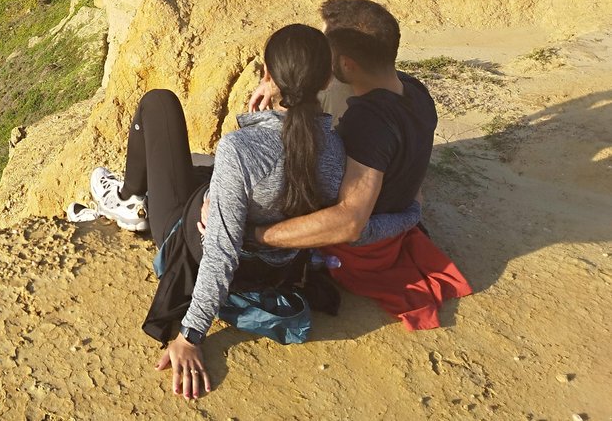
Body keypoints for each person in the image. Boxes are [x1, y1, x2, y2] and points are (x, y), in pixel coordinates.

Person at [90, 24, 419, 399]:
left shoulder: (239, 149)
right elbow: (354, 226)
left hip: (188, 234)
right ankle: (147, 193)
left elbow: (221, 250)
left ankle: (129, 197)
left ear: (267, 74)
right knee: (206, 172)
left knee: (159, 102)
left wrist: (189, 335)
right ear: (328, 80)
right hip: (278, 267)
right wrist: (409, 215)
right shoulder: (333, 151)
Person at [246, 0, 471, 329]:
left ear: (346, 65)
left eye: (326, 52)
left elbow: (350, 222)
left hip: (362, 253)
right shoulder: (413, 90)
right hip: (394, 213)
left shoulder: (368, 125)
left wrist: (259, 235)